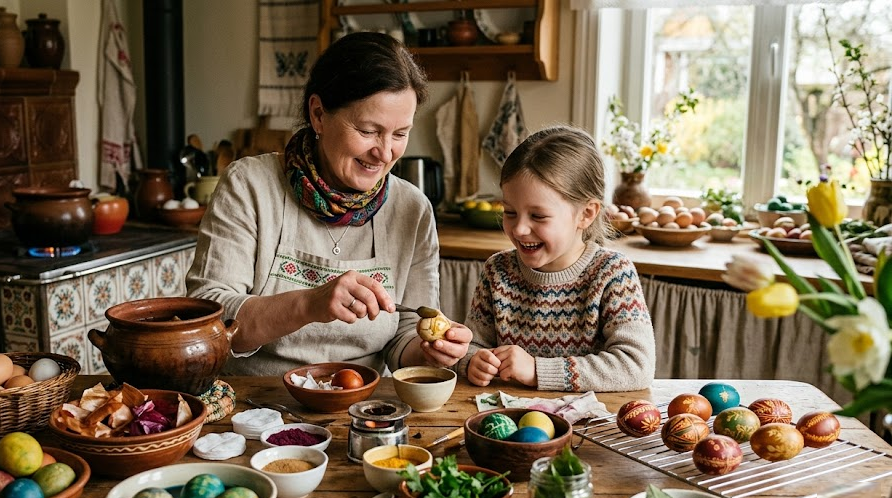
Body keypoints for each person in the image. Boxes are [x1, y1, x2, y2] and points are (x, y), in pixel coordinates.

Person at [186, 32, 472, 376]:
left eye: (399, 134)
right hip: (254, 408)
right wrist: (309, 304)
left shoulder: (412, 209)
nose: (384, 153)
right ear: (319, 114)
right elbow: (208, 319)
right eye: (368, 131)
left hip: (363, 408)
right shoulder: (250, 185)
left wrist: (432, 350)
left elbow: (404, 332)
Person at [456, 125, 655, 391]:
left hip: (588, 426)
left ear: (586, 214)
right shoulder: (498, 271)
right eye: (509, 212)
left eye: (538, 216)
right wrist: (472, 361)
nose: (519, 229)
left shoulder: (613, 273)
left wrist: (537, 371)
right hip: (509, 423)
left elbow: (636, 367)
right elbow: (472, 346)